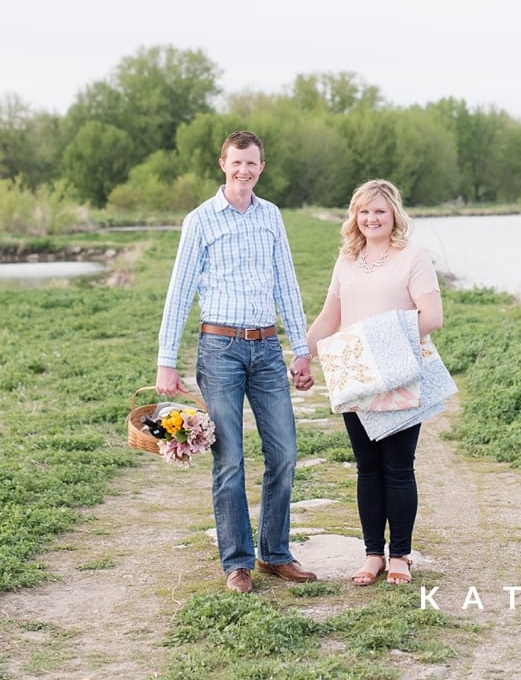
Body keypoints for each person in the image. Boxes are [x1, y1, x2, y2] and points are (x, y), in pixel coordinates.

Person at [155, 130, 318, 594]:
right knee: (229, 460)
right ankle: (237, 563)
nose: (243, 171)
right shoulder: (200, 220)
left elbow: (286, 283)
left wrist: (300, 349)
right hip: (220, 349)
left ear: (261, 167)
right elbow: (180, 292)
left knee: (284, 453)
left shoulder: (271, 217)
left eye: (252, 164)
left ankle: (274, 554)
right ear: (222, 164)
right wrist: (167, 362)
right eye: (235, 163)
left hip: (267, 349)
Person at [304, 178, 443, 587]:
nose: (371, 218)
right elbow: (330, 317)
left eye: (379, 211)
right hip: (355, 377)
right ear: (355, 216)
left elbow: (431, 316)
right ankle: (371, 555)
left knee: (398, 468)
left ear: (394, 214)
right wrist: (301, 354)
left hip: (398, 373)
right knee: (367, 469)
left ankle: (400, 554)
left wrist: (377, 343)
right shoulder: (347, 259)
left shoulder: (413, 257)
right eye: (364, 211)